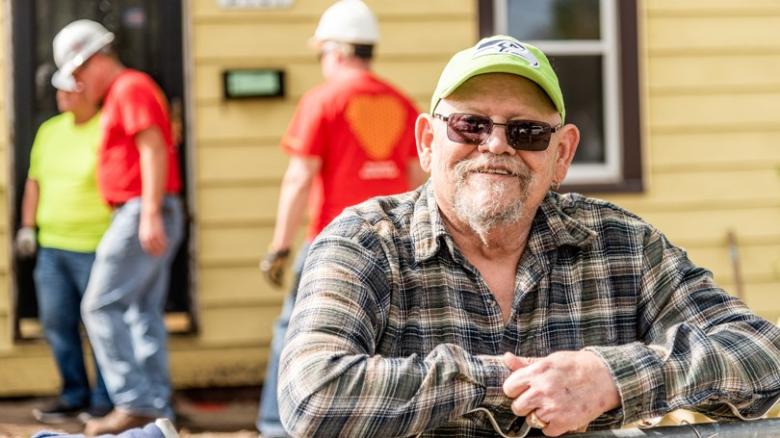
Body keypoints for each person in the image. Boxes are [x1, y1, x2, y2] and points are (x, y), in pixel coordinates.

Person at [277, 35, 780, 437]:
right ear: (428, 142)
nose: (496, 145)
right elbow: (312, 394)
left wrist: (610, 378)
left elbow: (765, 354)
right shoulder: (363, 242)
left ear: (561, 154)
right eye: (470, 125)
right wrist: (515, 383)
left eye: (527, 133)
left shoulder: (623, 245)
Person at [256, 1, 425, 436]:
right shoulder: (401, 103)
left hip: (333, 242)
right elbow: (414, 179)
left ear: (335, 50)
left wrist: (278, 246)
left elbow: (298, 178)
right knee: (386, 337)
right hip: (394, 243)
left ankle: (278, 425)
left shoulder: (322, 100)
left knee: (295, 329)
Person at [50, 19, 185, 435]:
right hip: (145, 208)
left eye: (77, 74)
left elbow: (152, 147)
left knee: (100, 304)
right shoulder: (125, 91)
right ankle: (156, 408)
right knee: (140, 311)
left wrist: (147, 212)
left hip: (140, 210)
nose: (77, 84)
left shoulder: (130, 87)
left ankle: (133, 401)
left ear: (93, 60)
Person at [17, 69, 113, 424]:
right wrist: (28, 228)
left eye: (70, 90)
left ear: (88, 92)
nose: (62, 97)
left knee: (101, 325)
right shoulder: (50, 131)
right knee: (57, 323)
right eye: (59, 91)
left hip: (97, 245)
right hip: (52, 246)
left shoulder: (107, 126)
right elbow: (34, 183)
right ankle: (74, 394)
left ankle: (105, 399)